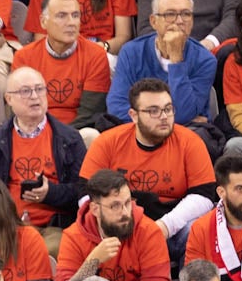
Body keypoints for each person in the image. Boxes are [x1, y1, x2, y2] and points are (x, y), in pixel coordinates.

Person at [85, 77, 218, 255]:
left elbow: (204, 195)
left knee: (197, 229)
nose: (163, 116)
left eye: (168, 109)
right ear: (133, 115)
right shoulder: (108, 142)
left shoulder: (190, 141)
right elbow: (84, 194)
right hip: (120, 228)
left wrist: (165, 226)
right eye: (153, 111)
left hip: (173, 227)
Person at [0, 67, 89, 249]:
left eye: (39, 89)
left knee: (52, 249)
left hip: (54, 226)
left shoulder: (69, 139)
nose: (34, 96)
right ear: (9, 99)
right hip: (9, 225)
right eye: (25, 91)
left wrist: (50, 193)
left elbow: (82, 191)